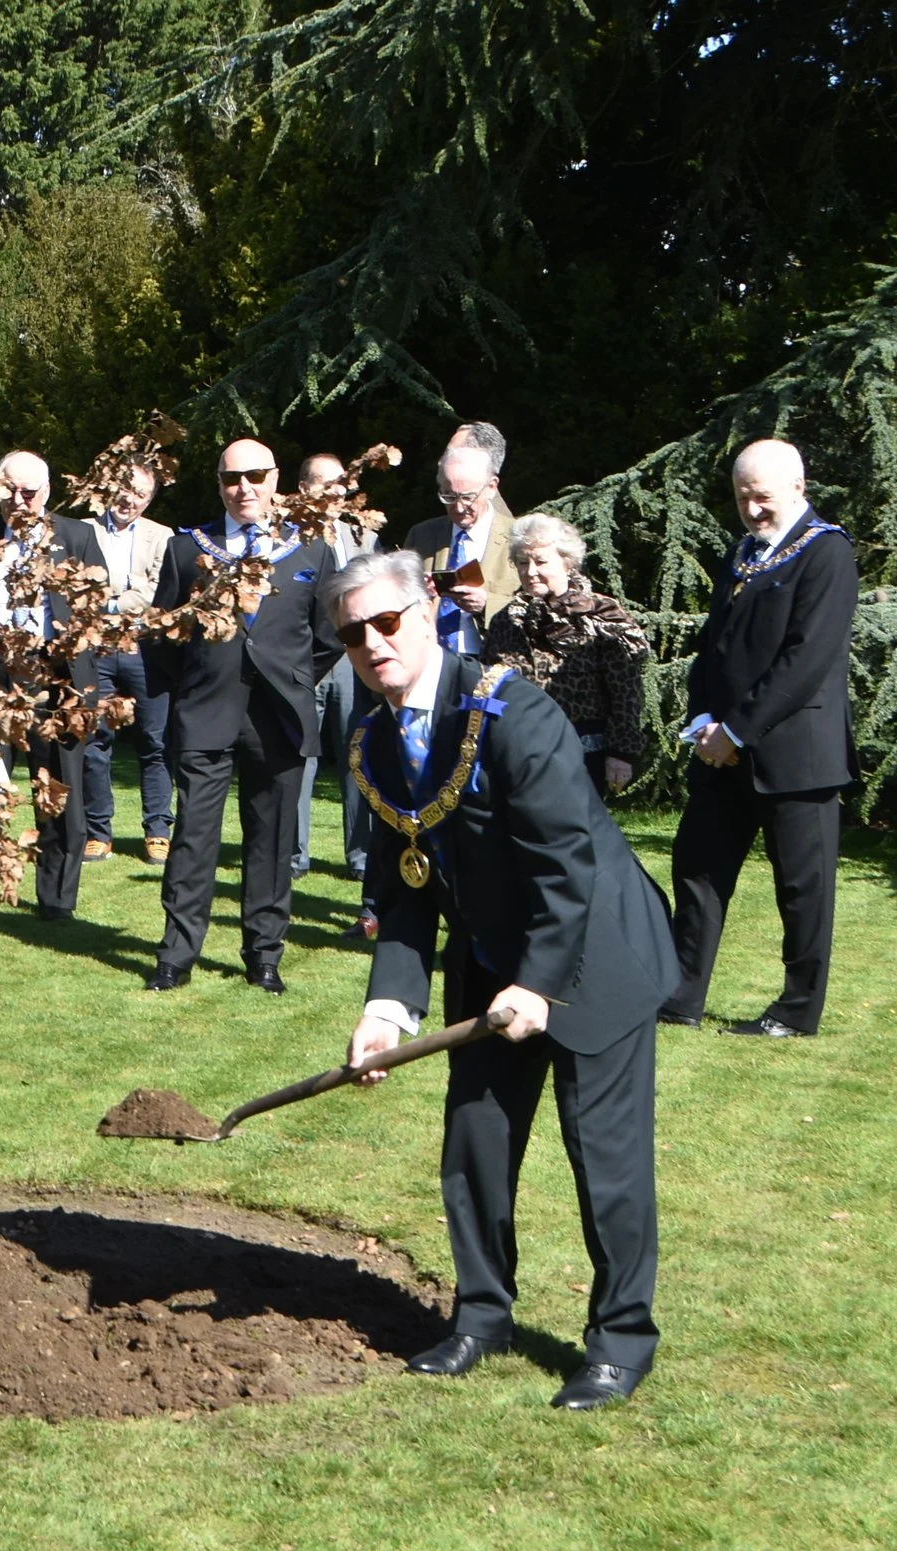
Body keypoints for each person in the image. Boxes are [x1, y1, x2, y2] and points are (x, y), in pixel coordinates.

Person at [336, 549, 677, 1411]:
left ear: (424, 616)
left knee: (605, 1158)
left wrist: (537, 986)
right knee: (476, 1145)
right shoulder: (375, 741)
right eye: (352, 634)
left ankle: (619, 1343)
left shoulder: (512, 711)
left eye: (385, 622)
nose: (373, 644)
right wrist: (387, 1009)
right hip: (489, 956)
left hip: (593, 952)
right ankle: (481, 1317)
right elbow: (405, 886)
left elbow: (569, 866)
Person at [661, 439, 858, 1038]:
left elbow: (805, 662)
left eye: (763, 497)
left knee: (801, 890)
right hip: (721, 752)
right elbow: (714, 649)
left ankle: (797, 1012)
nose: (752, 509)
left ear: (799, 488)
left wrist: (738, 732)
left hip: (797, 757)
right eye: (743, 497)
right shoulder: (743, 553)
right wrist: (702, 724)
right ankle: (678, 998)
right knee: (696, 871)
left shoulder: (827, 555)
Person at [145, 437, 342, 993]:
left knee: (272, 839)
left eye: (256, 475)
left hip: (279, 714)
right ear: (219, 484)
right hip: (208, 709)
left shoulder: (310, 550)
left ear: (276, 479)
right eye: (232, 478)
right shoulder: (190, 549)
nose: (244, 488)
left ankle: (264, 955)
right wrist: (200, 680)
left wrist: (293, 680)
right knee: (193, 838)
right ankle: (176, 956)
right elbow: (164, 636)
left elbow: (326, 638)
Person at [0, 450, 106, 919]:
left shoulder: (78, 537)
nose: (19, 501)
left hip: (58, 683)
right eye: (9, 491)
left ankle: (56, 901)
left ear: (47, 491)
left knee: (58, 794)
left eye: (29, 492)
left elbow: (93, 612)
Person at [480, 513, 650, 798]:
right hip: (520, 753)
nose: (530, 571)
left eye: (541, 561)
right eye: (523, 562)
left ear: (567, 562)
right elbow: (488, 687)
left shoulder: (600, 615)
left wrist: (622, 752)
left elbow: (626, 691)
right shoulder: (505, 621)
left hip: (583, 756)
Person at [289, 452, 378, 914]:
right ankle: (292, 855)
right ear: (304, 489)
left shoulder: (364, 535)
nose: (338, 493)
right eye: (327, 484)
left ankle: (361, 856)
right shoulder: (283, 533)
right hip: (301, 661)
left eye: (342, 484)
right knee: (297, 756)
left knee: (357, 756)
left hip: (350, 660)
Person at [80, 457, 174, 864]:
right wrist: (127, 597)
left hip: (144, 650)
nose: (129, 498)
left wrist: (111, 599)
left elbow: (156, 591)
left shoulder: (163, 536)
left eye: (140, 493)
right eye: (125, 488)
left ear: (149, 500)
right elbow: (76, 584)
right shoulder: (83, 530)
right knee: (94, 741)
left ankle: (157, 830)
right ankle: (99, 832)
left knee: (155, 742)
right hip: (96, 650)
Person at [404, 430, 518, 658]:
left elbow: (542, 607)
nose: (457, 507)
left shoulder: (518, 538)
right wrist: (419, 592)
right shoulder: (422, 535)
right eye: (448, 496)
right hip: (433, 661)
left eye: (468, 497)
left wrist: (488, 604)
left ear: (492, 487)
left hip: (495, 661)